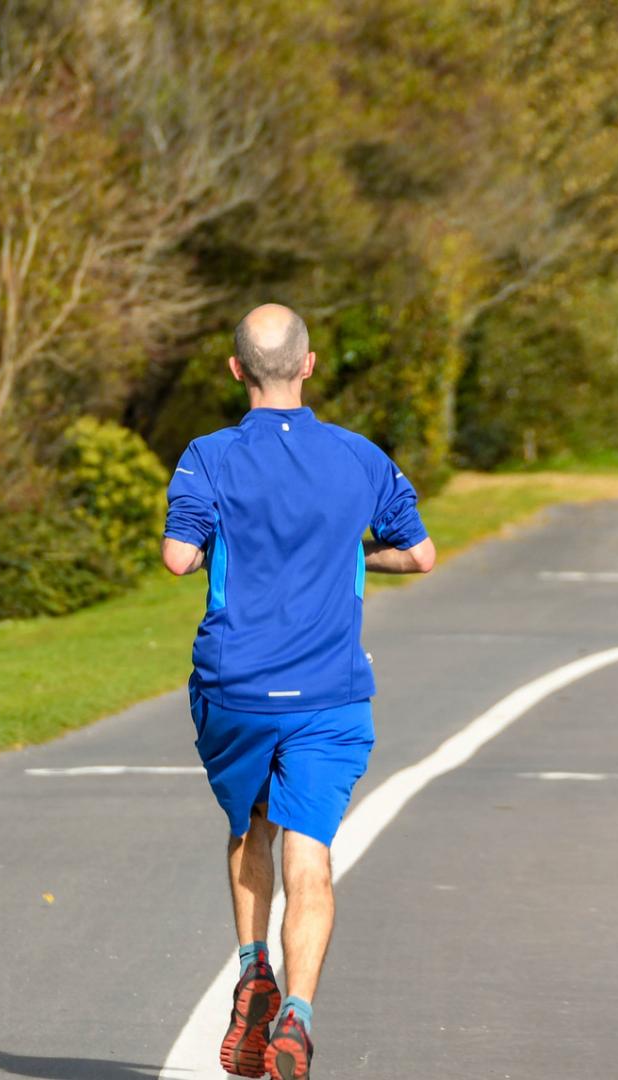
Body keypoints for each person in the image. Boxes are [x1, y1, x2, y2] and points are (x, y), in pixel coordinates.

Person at [163, 304, 436, 1080]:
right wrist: (351, 552)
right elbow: (418, 555)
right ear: (308, 366)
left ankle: (254, 972)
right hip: (331, 692)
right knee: (310, 856)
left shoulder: (207, 455)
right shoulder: (360, 458)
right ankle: (299, 1016)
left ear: (235, 368)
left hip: (236, 688)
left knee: (253, 827)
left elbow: (179, 557)